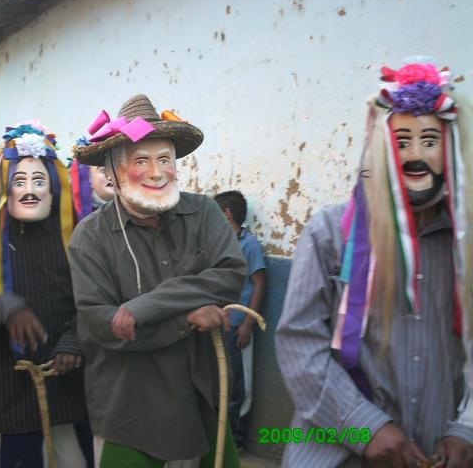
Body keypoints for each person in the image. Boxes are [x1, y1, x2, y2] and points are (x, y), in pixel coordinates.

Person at [275, 58, 473, 467]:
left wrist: (467, 428)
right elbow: (299, 343)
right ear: (381, 149)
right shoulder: (329, 233)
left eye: (430, 141)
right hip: (337, 452)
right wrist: (361, 424)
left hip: (440, 450)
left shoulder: (465, 245)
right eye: (401, 142)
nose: (415, 156)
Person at [69, 94, 247, 467]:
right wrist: (186, 318)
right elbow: (103, 323)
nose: (156, 172)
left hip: (202, 397)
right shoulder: (90, 237)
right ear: (114, 172)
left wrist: (144, 307)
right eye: (142, 161)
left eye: (164, 159)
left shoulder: (204, 212)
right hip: (131, 411)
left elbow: (229, 274)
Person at [0, 123, 90, 468]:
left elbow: (97, 294)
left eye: (39, 182)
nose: (29, 191)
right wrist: (5, 308)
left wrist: (75, 339)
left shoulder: (77, 232)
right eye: (19, 182)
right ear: (5, 185)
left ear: (54, 186)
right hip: (11, 384)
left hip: (70, 383)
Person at [213, 190, 266, 450]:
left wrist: (248, 323)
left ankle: (237, 439)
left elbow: (259, 284)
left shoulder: (249, 244)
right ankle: (220, 436)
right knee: (221, 381)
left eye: (216, 213)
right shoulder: (220, 244)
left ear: (226, 214)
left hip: (239, 326)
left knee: (239, 385)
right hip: (219, 324)